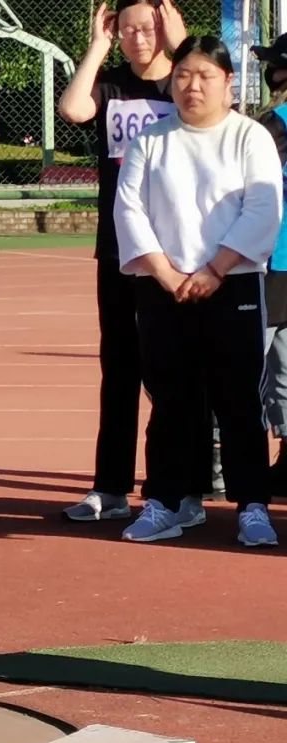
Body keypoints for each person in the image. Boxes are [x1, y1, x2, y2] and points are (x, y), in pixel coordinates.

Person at [114, 35, 281, 546]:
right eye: (183, 75)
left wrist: (215, 269)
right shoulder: (151, 140)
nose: (192, 86)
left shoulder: (249, 137)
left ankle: (252, 507)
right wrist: (165, 274)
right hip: (163, 288)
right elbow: (129, 209)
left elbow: (263, 209)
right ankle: (166, 502)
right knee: (170, 399)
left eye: (205, 76)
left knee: (238, 400)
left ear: (228, 82)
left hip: (233, 285)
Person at [57, 0, 206, 525]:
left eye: (147, 28)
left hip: (179, 252)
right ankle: (111, 488)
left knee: (177, 373)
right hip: (121, 250)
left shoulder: (183, 84)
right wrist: (97, 47)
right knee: (119, 369)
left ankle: (186, 490)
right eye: (126, 30)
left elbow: (215, 110)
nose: (138, 38)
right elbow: (73, 109)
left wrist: (182, 48)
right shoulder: (112, 86)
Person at [252, 34, 287, 496]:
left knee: (243, 361)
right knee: (284, 361)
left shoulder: (272, 124)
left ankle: (221, 462)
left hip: (273, 256)